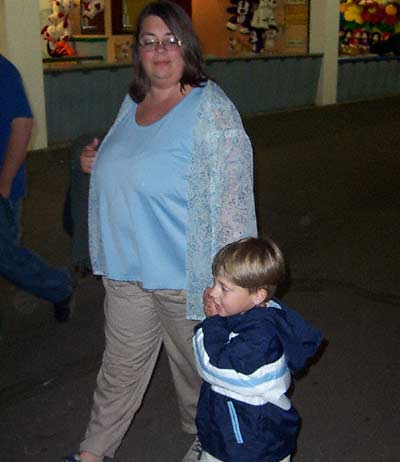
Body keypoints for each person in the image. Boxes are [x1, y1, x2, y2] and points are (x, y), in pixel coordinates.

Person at [65, 2, 257, 462]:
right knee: (119, 371)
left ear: (187, 46)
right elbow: (122, 156)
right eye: (149, 41)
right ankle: (92, 453)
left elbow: (235, 201)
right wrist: (93, 160)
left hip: (184, 276)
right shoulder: (132, 102)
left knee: (198, 377)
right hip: (127, 270)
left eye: (170, 40)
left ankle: (209, 442)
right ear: (138, 52)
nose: (160, 51)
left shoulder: (211, 109)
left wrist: (235, 284)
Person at [194, 237, 323, 462]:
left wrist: (211, 322)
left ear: (258, 295)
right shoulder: (249, 314)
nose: (213, 292)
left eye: (224, 288)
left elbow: (211, 366)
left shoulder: (260, 339)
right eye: (214, 282)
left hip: (249, 442)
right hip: (234, 431)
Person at [0, 54, 73, 323]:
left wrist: (5, 184)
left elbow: (23, 125)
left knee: (6, 256)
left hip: (2, 186)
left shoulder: (3, 71)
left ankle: (59, 287)